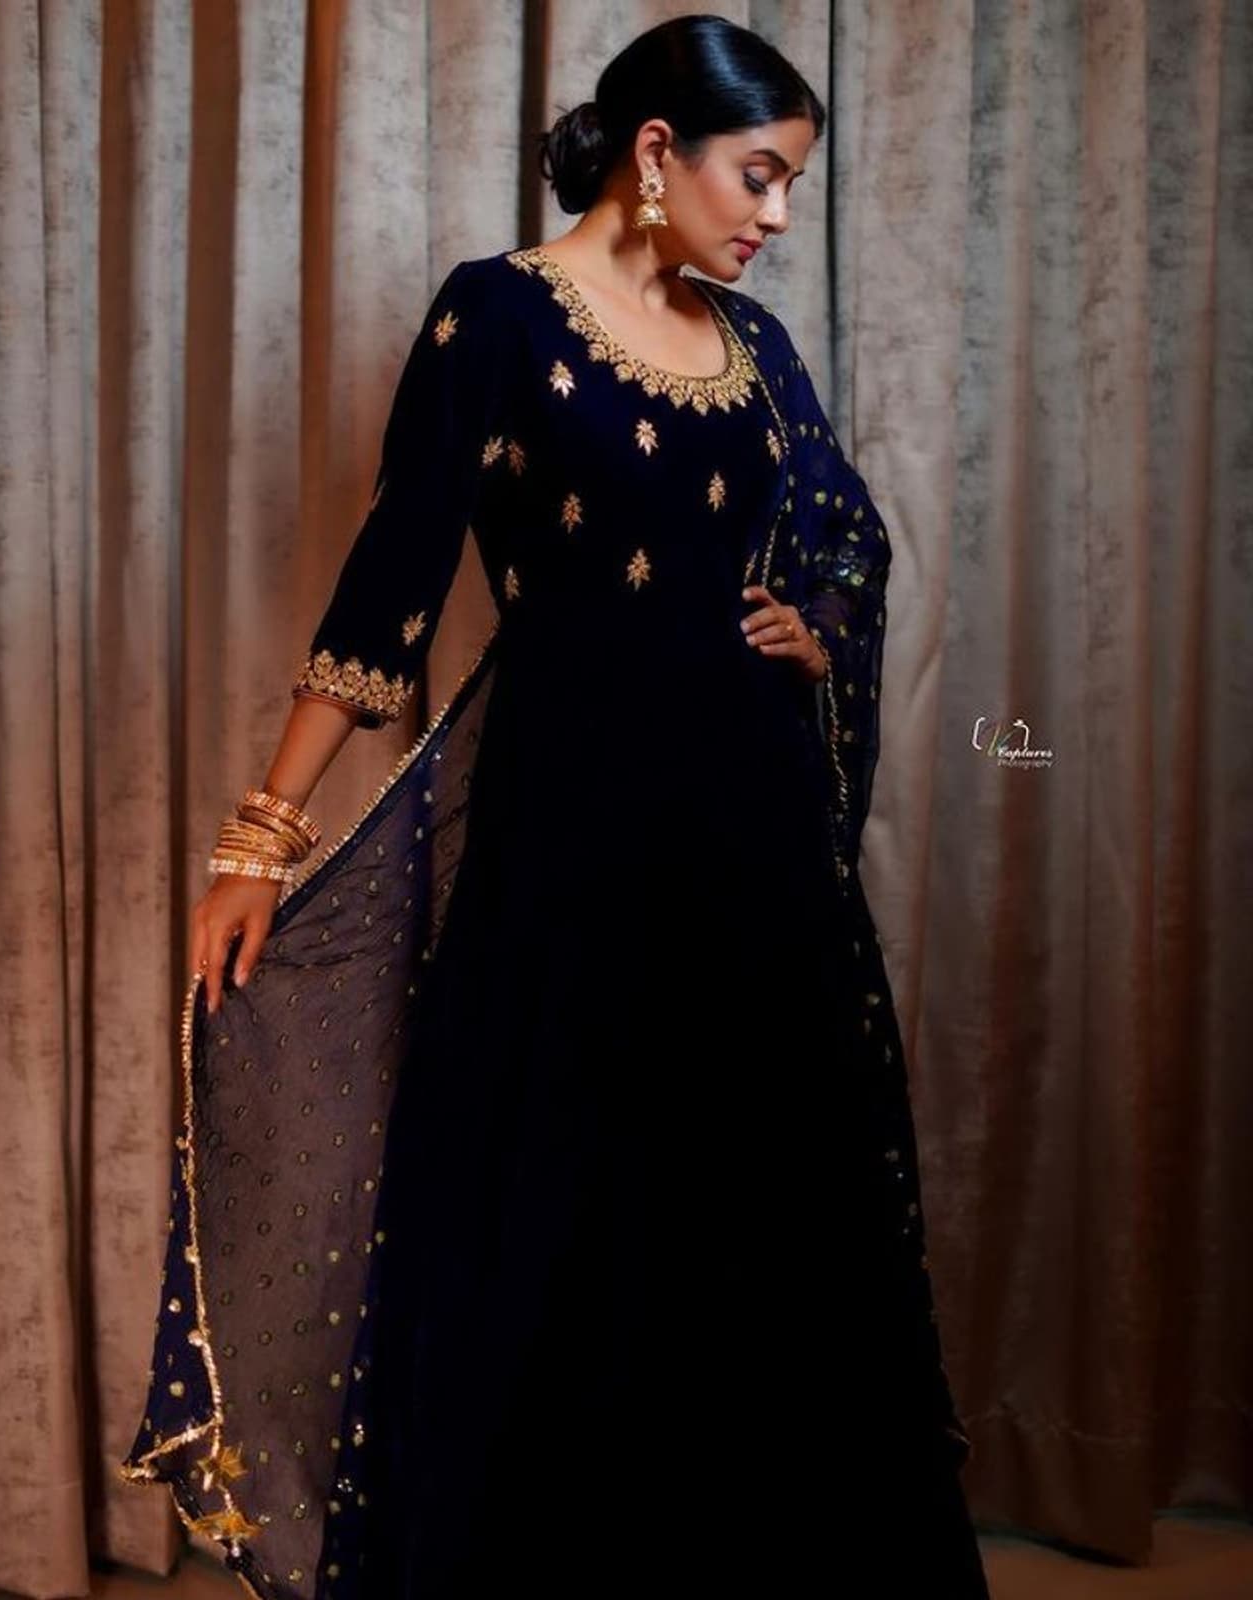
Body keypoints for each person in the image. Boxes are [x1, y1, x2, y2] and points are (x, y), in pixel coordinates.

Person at [120, 15, 991, 1598]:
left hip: (752, 842)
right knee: (552, 1206)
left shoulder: (752, 345)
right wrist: (263, 835)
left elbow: (843, 536)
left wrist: (812, 624)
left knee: (768, 1216)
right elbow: (394, 579)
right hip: (569, 838)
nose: (777, 215)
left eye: (792, 186)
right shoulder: (501, 316)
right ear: (658, 152)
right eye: (759, 176)